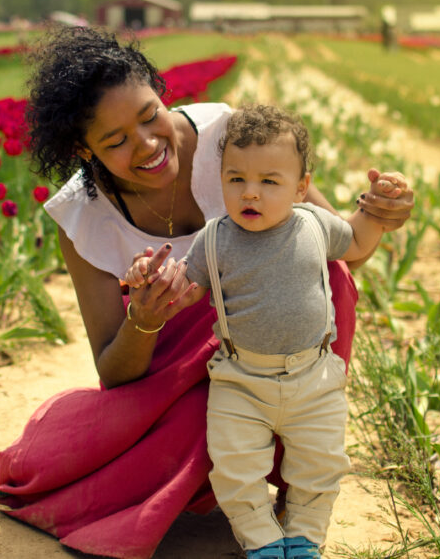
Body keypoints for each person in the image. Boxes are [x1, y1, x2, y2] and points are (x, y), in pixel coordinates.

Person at [0, 27, 414, 559]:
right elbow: (114, 371)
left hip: (274, 355)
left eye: (150, 115)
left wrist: (378, 212)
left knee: (332, 281)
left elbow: (338, 247)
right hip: (169, 375)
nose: (146, 144)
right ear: (85, 149)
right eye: (116, 141)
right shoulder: (82, 217)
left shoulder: (226, 136)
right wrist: (144, 318)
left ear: (160, 91)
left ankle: (296, 476)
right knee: (196, 427)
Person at [124, 105, 400, 559]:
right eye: (236, 179)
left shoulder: (313, 224)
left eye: (269, 182)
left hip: (314, 377)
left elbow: (358, 241)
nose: (250, 193)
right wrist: (147, 277)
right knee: (235, 468)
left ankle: (305, 537)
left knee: (320, 465)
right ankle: (263, 542)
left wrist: (375, 205)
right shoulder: (215, 239)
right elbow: (182, 288)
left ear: (301, 187)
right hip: (241, 380)